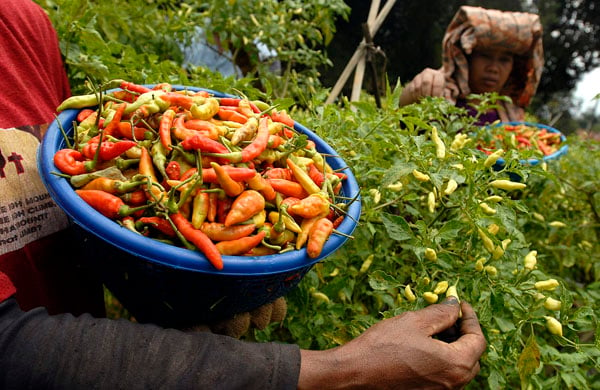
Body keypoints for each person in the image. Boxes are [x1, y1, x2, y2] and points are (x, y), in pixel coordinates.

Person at [0, 1, 486, 388]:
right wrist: (345, 369)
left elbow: (75, 210)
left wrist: (157, 297)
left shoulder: (25, 26)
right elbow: (10, 350)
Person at [399, 6, 544, 125]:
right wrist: (413, 92)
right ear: (466, 58)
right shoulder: (441, 93)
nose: (493, 68)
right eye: (485, 56)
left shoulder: (511, 113)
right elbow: (401, 114)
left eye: (504, 60)